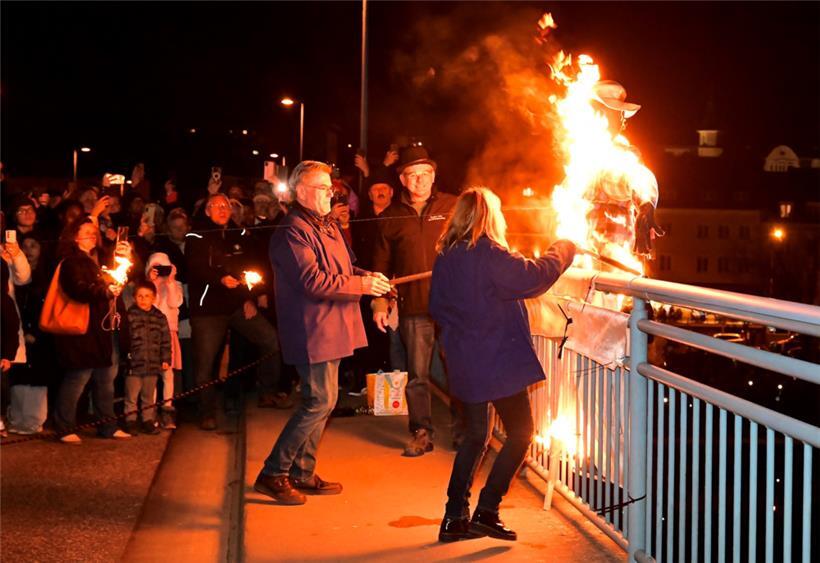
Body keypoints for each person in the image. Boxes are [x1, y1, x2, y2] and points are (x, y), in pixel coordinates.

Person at [429, 187, 576, 542]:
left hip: (464, 360)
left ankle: (454, 518)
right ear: (488, 216)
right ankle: (487, 510)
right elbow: (532, 277)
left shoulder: (447, 255)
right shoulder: (489, 253)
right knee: (522, 431)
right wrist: (564, 248)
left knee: (476, 435)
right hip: (494, 361)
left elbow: (436, 307)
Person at [254, 161, 391, 505]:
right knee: (318, 401)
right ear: (301, 192)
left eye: (332, 188)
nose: (332, 194)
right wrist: (361, 284)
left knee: (325, 402)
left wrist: (371, 277)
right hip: (312, 328)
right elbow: (312, 281)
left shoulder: (327, 226)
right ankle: (273, 472)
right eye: (323, 188)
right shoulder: (292, 231)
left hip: (333, 325)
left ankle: (302, 471)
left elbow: (345, 269)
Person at [370, 145, 457, 456]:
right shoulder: (391, 217)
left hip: (453, 306)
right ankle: (421, 431)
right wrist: (380, 303)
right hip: (414, 307)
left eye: (426, 174)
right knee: (417, 375)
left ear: (434, 177)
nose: (420, 181)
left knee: (458, 367)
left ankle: (465, 429)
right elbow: (380, 266)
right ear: (402, 180)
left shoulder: (453, 206)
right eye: (413, 175)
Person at [185, 192, 288, 431]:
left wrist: (250, 296)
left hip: (236, 305)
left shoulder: (239, 234)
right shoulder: (196, 234)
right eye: (217, 206)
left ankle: (267, 392)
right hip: (208, 309)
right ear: (207, 210)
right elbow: (196, 267)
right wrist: (219, 279)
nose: (222, 210)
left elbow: (250, 267)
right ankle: (207, 411)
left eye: (226, 206)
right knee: (205, 364)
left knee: (271, 340)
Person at [53, 217, 132, 443]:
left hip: (107, 329)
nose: (92, 235)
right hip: (84, 330)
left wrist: (125, 259)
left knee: (106, 378)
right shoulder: (71, 261)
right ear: (74, 236)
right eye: (86, 231)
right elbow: (78, 290)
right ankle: (64, 427)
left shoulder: (101, 258)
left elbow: (123, 275)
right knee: (78, 377)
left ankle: (108, 425)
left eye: (94, 231)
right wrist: (105, 291)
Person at [121, 280, 171, 435]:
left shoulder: (159, 316)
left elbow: (166, 340)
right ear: (135, 297)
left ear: (154, 297)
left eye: (147, 296)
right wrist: (126, 358)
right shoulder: (129, 316)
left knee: (148, 395)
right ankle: (130, 420)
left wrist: (166, 359)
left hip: (152, 364)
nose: (143, 300)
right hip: (134, 364)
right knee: (132, 395)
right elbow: (124, 339)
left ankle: (148, 420)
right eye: (140, 296)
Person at [145, 253, 184, 429]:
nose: (160, 271)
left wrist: (170, 281)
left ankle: (167, 410)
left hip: (168, 333)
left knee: (168, 374)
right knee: (151, 374)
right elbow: (146, 304)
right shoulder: (146, 287)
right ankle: (149, 413)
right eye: (156, 267)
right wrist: (150, 282)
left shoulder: (175, 285)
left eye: (164, 267)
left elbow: (175, 303)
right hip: (150, 333)